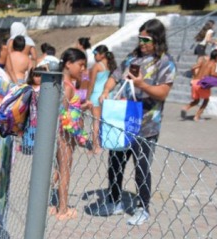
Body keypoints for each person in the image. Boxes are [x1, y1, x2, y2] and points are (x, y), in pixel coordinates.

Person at [90, 18, 175, 226]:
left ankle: (143, 207)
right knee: (115, 164)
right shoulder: (133, 57)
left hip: (146, 126)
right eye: (140, 38)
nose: (142, 43)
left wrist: (141, 85)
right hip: (123, 123)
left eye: (146, 39)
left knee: (141, 168)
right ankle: (115, 200)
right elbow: (115, 76)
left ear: (157, 39)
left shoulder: (165, 62)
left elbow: (162, 92)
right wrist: (106, 91)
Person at [52, 48, 91, 222]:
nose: (83, 69)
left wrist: (81, 107)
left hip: (67, 134)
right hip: (65, 135)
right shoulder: (67, 87)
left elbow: (70, 108)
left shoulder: (67, 84)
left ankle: (50, 200)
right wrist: (73, 131)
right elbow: (62, 113)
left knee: (59, 170)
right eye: (80, 65)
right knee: (65, 170)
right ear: (68, 64)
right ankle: (63, 208)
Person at [88, 44, 116, 154]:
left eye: (95, 54)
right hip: (109, 95)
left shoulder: (97, 66)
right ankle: (105, 142)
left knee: (96, 122)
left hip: (96, 95)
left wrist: (87, 97)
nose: (94, 56)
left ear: (102, 54)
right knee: (105, 120)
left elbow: (91, 82)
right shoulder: (111, 64)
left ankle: (96, 146)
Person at [182, 49, 217, 122]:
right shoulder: (213, 64)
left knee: (196, 100)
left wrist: (194, 76)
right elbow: (213, 73)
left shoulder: (204, 61)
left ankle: (185, 108)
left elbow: (193, 67)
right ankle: (197, 117)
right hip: (202, 84)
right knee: (206, 100)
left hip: (195, 82)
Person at [76, 37, 93, 101]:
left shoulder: (82, 54)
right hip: (86, 75)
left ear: (81, 45)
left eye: (77, 44)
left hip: (83, 75)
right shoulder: (88, 53)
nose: (76, 45)